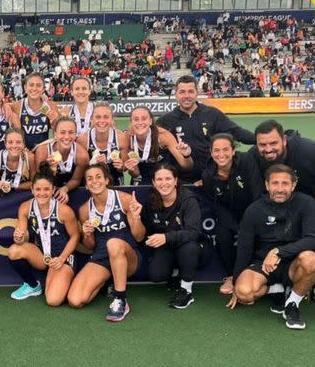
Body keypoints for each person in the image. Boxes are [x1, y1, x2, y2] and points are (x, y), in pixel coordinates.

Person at [230, 164, 315, 330]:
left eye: (285, 184)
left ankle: (292, 303)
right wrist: (236, 283)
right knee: (244, 293)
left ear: (293, 185)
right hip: (263, 264)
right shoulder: (254, 210)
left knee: (311, 259)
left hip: (294, 262)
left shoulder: (306, 203)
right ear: (267, 185)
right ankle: (277, 289)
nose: (280, 189)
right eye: (275, 183)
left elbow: (313, 239)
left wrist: (279, 252)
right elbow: (243, 248)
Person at [68, 164, 144, 322]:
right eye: (89, 179)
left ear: (106, 180)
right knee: (75, 300)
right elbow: (90, 246)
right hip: (102, 257)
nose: (94, 181)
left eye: (98, 177)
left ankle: (120, 299)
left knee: (114, 243)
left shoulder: (124, 199)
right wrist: (87, 234)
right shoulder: (84, 210)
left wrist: (136, 218)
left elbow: (139, 237)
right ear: (86, 185)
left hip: (127, 256)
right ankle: (107, 280)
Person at [8, 162, 82, 305]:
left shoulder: (64, 210)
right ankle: (32, 286)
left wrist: (61, 258)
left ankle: (64, 278)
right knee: (14, 250)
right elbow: (20, 237)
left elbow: (75, 237)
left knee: (53, 300)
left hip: (63, 257)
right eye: (38, 189)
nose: (42, 193)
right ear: (32, 189)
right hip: (42, 255)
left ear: (53, 189)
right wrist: (18, 237)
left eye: (47, 189)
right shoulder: (25, 207)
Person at [158, 75, 254, 182]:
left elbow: (236, 132)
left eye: (190, 91)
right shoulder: (165, 121)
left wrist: (258, 139)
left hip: (212, 178)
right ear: (176, 94)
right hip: (181, 181)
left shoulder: (212, 114)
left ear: (197, 92)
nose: (186, 96)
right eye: (182, 92)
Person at [201, 133, 263, 295]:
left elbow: (257, 193)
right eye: (216, 150)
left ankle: (251, 273)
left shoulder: (247, 161)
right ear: (211, 152)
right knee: (223, 235)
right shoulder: (208, 175)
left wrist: (248, 224)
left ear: (233, 150)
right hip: (228, 214)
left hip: (254, 210)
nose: (221, 155)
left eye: (225, 150)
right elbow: (217, 206)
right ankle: (231, 276)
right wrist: (237, 227)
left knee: (252, 236)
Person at [141, 164, 203, 308]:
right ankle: (177, 273)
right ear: (153, 183)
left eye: (168, 178)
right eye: (159, 179)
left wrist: (166, 237)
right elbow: (143, 234)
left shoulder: (188, 200)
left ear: (175, 181)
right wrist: (136, 217)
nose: (164, 183)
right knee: (156, 276)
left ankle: (186, 291)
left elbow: (193, 233)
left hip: (192, 248)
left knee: (188, 248)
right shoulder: (151, 202)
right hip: (168, 248)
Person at [125, 105, 192, 185]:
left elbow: (186, 165)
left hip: (163, 178)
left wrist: (187, 155)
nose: (140, 122)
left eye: (144, 118)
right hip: (140, 179)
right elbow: (132, 172)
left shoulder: (163, 136)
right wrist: (133, 171)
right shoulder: (127, 138)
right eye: (136, 119)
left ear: (150, 121)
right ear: (131, 122)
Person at [34, 117, 89, 203]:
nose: (66, 137)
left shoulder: (82, 155)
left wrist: (64, 189)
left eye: (71, 132)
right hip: (47, 190)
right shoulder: (43, 151)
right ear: (55, 134)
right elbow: (39, 181)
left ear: (75, 134)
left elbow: (76, 180)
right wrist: (50, 171)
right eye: (62, 132)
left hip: (71, 189)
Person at [77, 102, 129, 186]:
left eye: (106, 117)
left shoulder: (121, 138)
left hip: (115, 181)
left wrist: (121, 166)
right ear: (92, 119)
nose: (102, 121)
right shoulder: (83, 140)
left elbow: (124, 167)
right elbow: (80, 169)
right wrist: (92, 162)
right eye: (98, 117)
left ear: (112, 120)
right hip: (93, 183)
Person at [12, 72, 60, 150]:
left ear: (43, 89)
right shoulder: (17, 106)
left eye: (38, 85)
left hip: (43, 152)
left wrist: (54, 121)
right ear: (25, 87)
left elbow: (58, 132)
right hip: (24, 152)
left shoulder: (51, 106)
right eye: (31, 85)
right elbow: (3, 106)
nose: (34, 88)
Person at [0, 128, 35, 194]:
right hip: (3, 197)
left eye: (18, 142)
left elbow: (34, 183)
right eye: (10, 142)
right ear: (5, 143)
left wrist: (11, 186)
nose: (14, 146)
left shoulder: (30, 158)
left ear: (24, 144)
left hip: (22, 195)